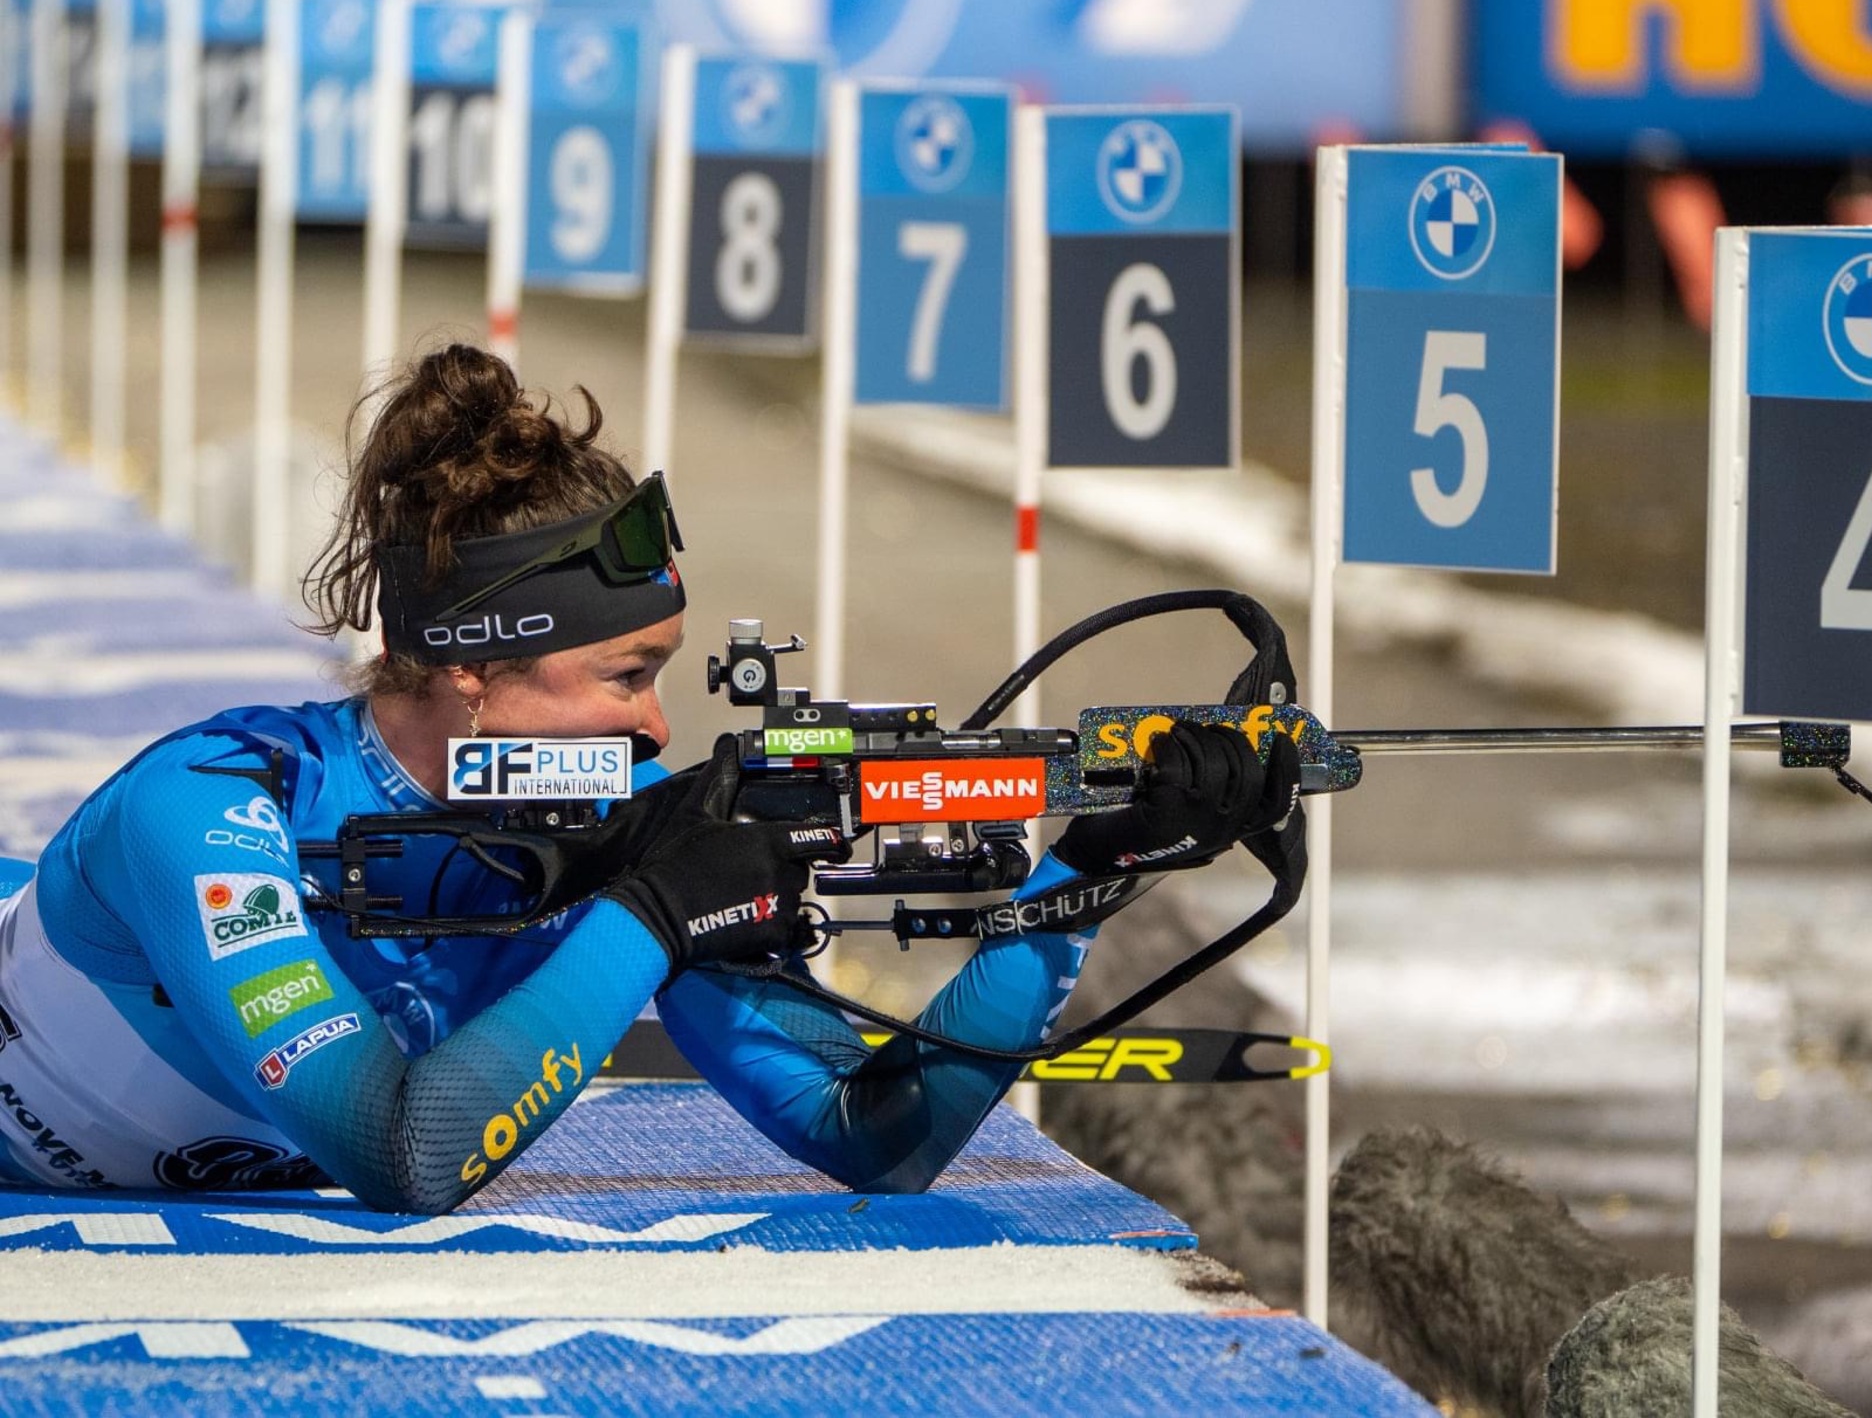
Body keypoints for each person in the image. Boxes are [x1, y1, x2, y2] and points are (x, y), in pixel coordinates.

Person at [0, 344, 1300, 1214]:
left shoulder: (606, 833)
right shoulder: (213, 804)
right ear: (470, 670)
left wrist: (1084, 876)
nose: (656, 725)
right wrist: (656, 913)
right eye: (625, 676)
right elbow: (404, 1150)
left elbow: (877, 1136)